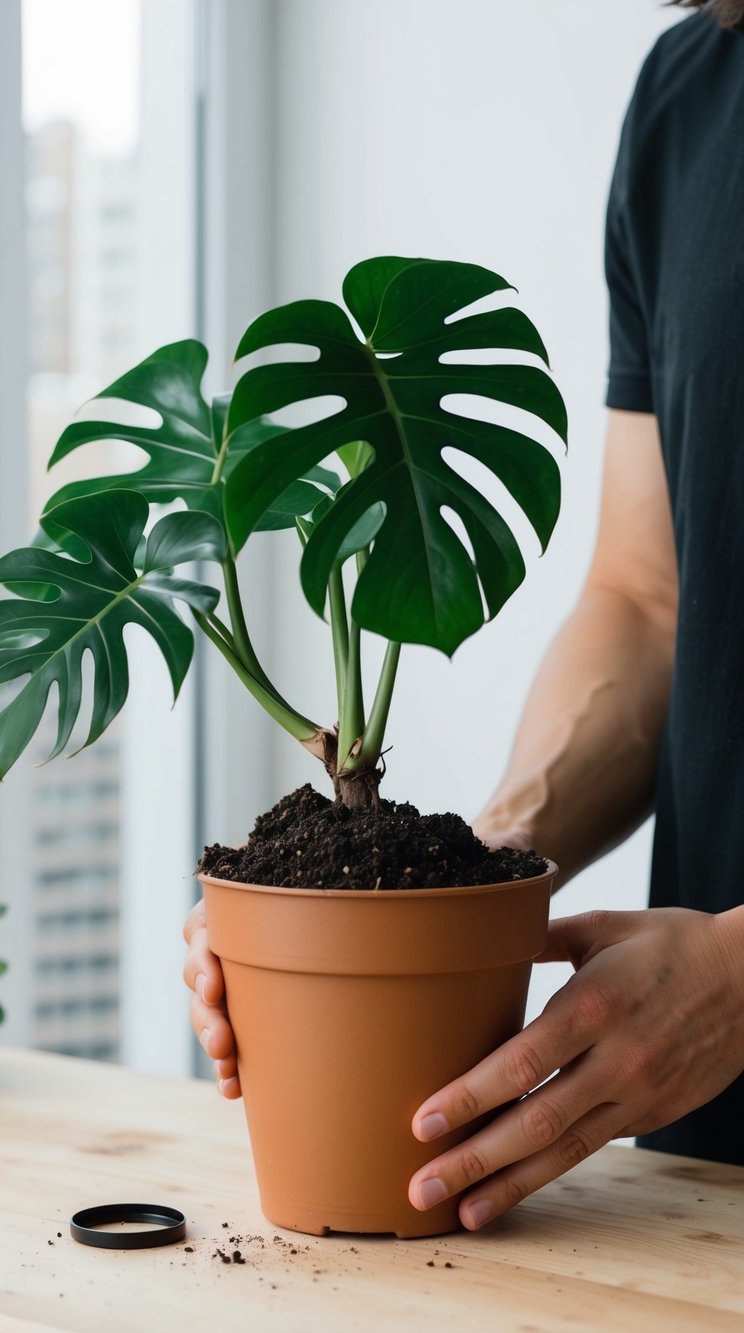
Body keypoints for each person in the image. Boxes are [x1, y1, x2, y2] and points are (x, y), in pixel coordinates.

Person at [183, 0, 744, 1230]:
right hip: (697, 1181)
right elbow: (652, 601)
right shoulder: (689, 92)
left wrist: (739, 979)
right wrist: (458, 874)